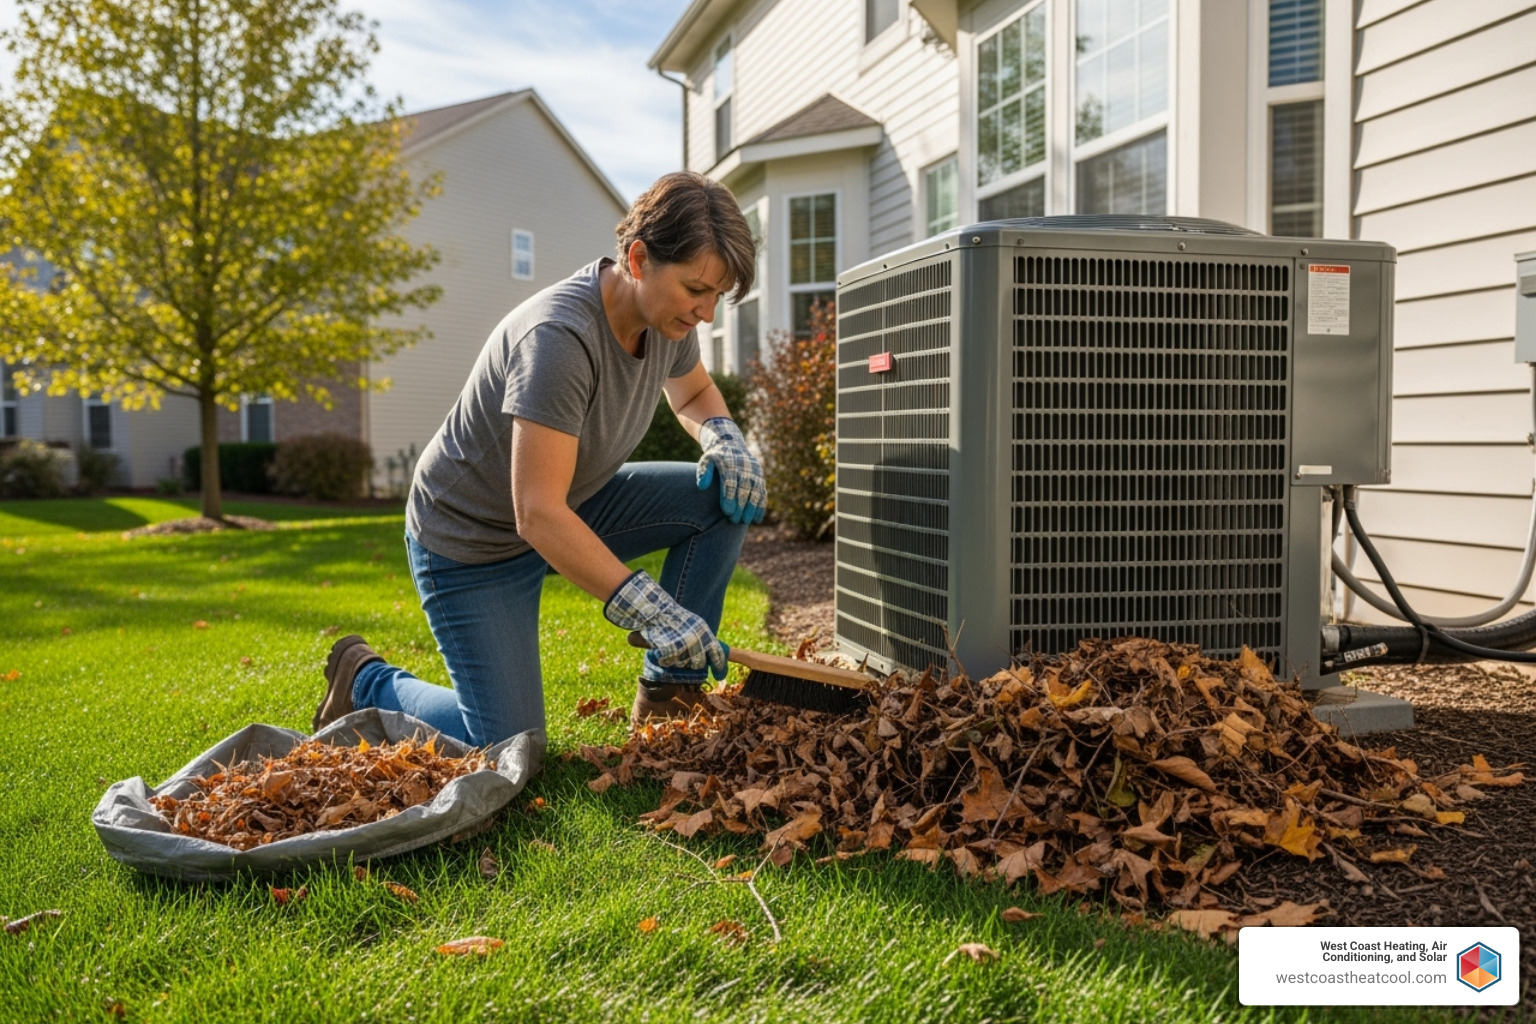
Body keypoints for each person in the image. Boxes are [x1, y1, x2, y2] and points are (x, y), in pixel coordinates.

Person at [311, 171, 766, 748]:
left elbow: (693, 393)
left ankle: (669, 697)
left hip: (572, 502)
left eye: (716, 297)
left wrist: (723, 437)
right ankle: (367, 682)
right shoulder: (558, 338)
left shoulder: (667, 319)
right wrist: (653, 610)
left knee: (721, 496)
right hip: (472, 541)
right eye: (696, 290)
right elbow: (537, 514)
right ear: (639, 257)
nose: (706, 313)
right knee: (509, 745)